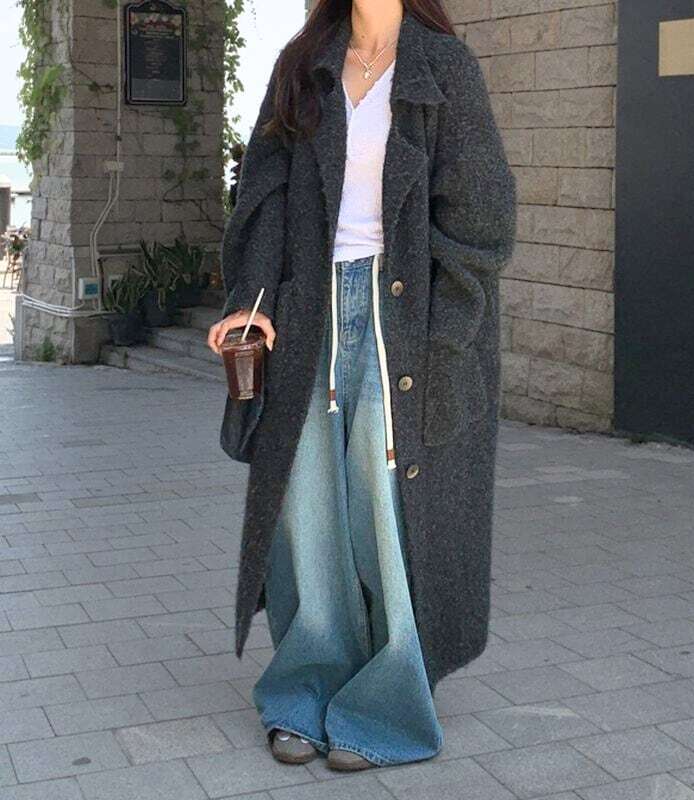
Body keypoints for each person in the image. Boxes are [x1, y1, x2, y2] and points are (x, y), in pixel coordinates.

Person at [207, 0, 516, 771]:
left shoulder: (444, 69)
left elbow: (481, 220)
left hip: (399, 315)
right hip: (307, 313)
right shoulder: (302, 64)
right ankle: (303, 688)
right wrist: (252, 299)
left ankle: (388, 706)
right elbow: (263, 195)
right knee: (307, 511)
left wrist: (444, 337)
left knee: (387, 512)